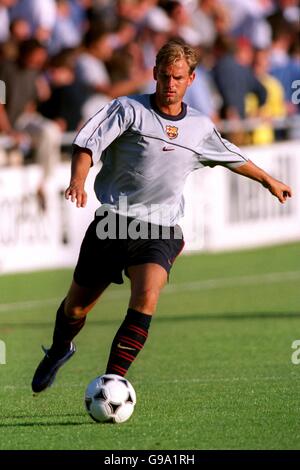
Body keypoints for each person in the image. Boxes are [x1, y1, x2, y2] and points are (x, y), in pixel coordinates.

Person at [31, 39, 292, 393]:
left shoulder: (199, 127)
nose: (170, 84)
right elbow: (86, 143)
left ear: (192, 79)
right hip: (113, 223)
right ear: (154, 74)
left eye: (179, 78)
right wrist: (78, 180)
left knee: (146, 299)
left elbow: (232, 155)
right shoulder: (128, 110)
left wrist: (268, 180)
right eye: (165, 76)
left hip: (160, 228)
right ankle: (61, 348)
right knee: (76, 309)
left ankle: (112, 383)